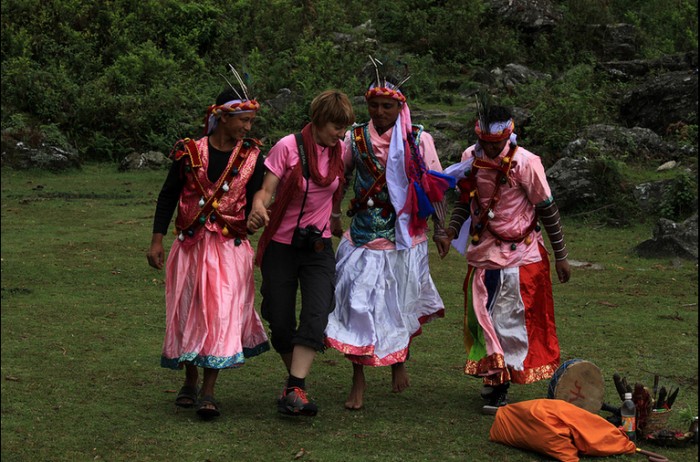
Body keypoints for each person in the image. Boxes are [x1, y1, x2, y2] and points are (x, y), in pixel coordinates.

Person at [324, 73, 454, 410]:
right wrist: (335, 214)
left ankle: (398, 361)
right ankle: (358, 379)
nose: (380, 112)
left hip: (406, 237)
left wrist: (441, 229)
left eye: (388, 106)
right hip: (364, 236)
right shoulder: (354, 138)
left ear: (401, 106)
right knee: (358, 307)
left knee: (400, 304)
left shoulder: (417, 139)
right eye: (374, 105)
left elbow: (434, 185)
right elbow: (339, 178)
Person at [435, 103, 571, 412]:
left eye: (496, 143)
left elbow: (547, 209)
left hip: (520, 258)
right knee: (482, 319)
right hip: (483, 256)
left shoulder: (526, 162)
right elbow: (464, 201)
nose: (491, 148)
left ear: (508, 135)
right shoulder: (471, 157)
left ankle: (500, 385)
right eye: (485, 142)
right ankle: (494, 379)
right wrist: (450, 232)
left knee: (509, 323)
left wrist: (561, 256)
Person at [146, 80, 270, 420]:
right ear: (222, 118)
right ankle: (189, 379)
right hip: (189, 248)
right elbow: (168, 194)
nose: (247, 126)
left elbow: (260, 195)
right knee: (187, 310)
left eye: (250, 121)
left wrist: (258, 213)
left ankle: (209, 390)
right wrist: (157, 240)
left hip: (229, 249)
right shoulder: (189, 152)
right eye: (242, 120)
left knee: (220, 315)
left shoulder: (253, 157)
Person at [246, 90, 356, 417]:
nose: (341, 133)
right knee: (280, 320)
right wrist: (258, 208)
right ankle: (294, 385)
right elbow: (266, 190)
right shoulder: (288, 147)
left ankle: (296, 388)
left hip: (318, 247)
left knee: (316, 313)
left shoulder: (344, 150)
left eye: (344, 127)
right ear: (319, 121)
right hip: (281, 245)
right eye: (336, 126)